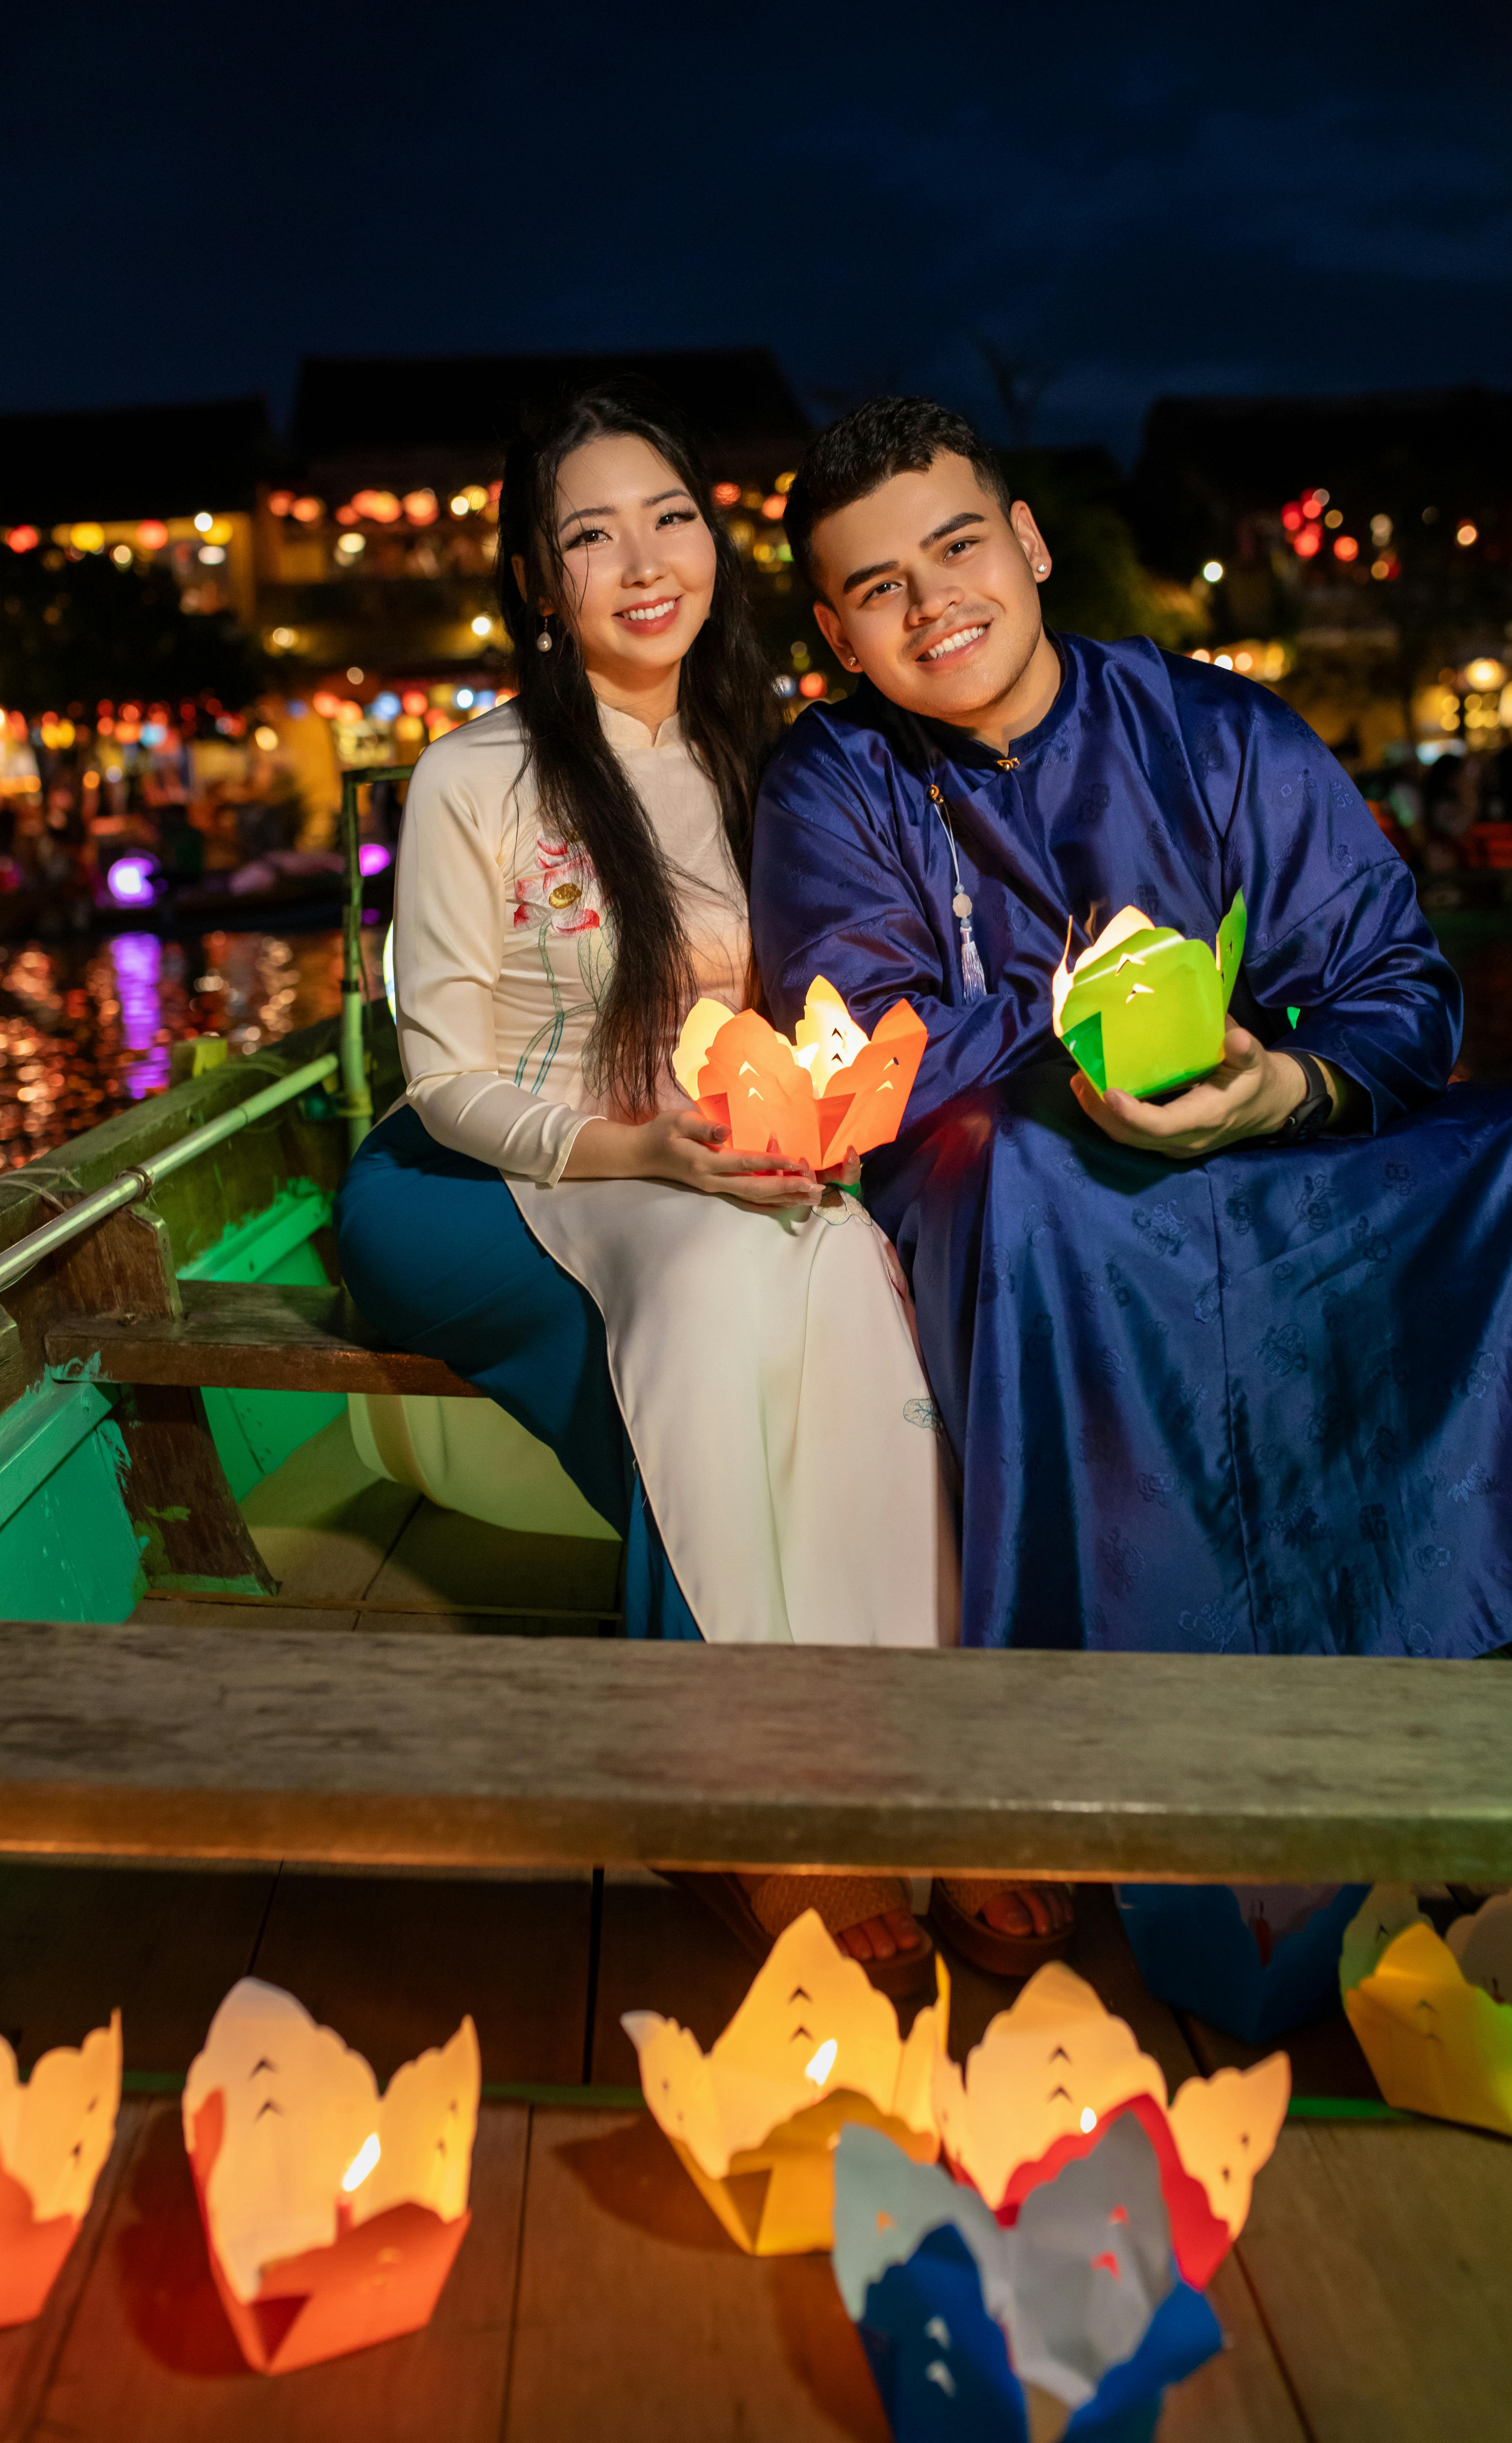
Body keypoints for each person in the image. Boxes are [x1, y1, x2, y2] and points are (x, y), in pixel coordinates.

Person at [337, 383, 1051, 1990]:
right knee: (722, 1289)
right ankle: (747, 1804)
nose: (642, 561)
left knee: (855, 1284)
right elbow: (439, 1079)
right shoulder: (481, 774)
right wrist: (648, 1153)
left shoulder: (772, 763)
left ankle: (923, 1769)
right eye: (589, 535)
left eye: (669, 517)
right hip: (485, 1169)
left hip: (713, 1150)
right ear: (536, 578)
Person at [751, 395, 1512, 1678]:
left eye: (959, 548)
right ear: (836, 634)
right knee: (1011, 1169)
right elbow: (852, 1048)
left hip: (1272, 1157)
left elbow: (1398, 985)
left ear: (1031, 542)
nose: (935, 602)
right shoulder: (832, 781)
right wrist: (1079, 1009)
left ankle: (1464, 1668)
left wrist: (1277, 1084)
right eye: (879, 587)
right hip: (1030, 1205)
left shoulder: (1220, 733)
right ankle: (1102, 1747)